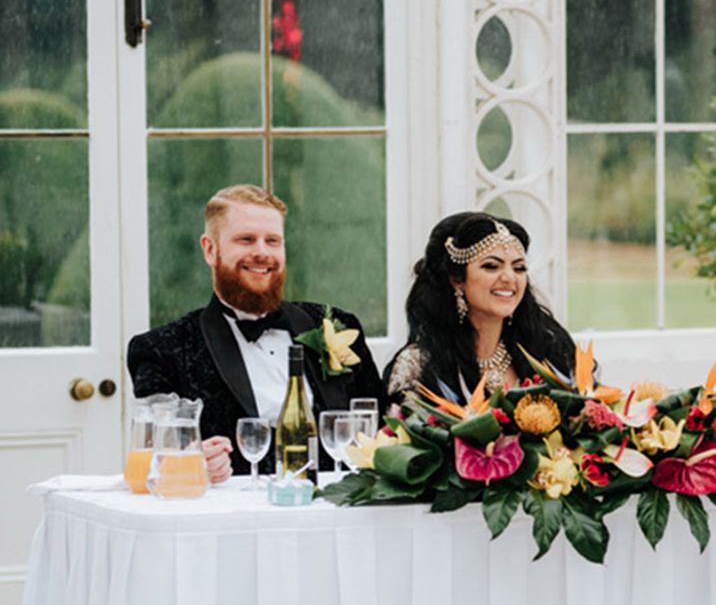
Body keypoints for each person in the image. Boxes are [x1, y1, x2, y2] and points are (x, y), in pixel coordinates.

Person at [128, 184, 383, 481]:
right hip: (229, 519)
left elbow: (381, 427)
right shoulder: (162, 350)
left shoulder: (336, 324)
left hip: (334, 512)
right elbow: (153, 460)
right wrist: (193, 463)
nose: (262, 253)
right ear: (210, 249)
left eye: (273, 241)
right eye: (246, 240)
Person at [385, 211, 576, 402]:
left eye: (519, 268)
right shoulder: (418, 364)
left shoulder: (547, 350)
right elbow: (400, 430)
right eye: (491, 266)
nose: (509, 278)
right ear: (457, 280)